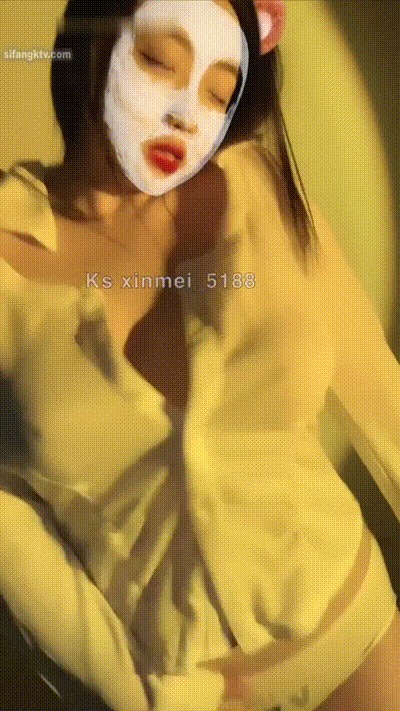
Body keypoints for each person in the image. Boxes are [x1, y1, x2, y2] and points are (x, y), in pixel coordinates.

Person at [0, 1, 399, 710]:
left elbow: (379, 392)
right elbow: (10, 533)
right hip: (190, 692)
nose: (188, 115)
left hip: (359, 638)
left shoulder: (254, 190)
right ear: (89, 45)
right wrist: (156, 694)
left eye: (219, 93)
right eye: (159, 61)